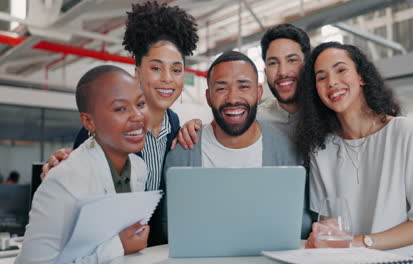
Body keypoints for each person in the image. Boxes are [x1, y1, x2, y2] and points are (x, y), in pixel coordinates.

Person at [39, 0, 198, 246]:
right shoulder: (105, 126)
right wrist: (60, 167)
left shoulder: (175, 127)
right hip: (103, 248)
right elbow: (77, 189)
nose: (167, 79)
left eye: (176, 71)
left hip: (151, 251)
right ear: (137, 72)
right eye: (156, 68)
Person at [297, 42, 413, 256]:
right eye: (321, 77)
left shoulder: (404, 133)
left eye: (341, 70)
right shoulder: (321, 149)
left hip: (404, 259)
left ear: (361, 77)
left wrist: (360, 242)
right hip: (349, 259)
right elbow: (330, 220)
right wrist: (326, 232)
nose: (332, 82)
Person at [163, 50, 312, 239]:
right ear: (208, 97)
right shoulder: (184, 151)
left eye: (243, 87)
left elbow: (301, 224)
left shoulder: (287, 150)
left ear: (258, 93)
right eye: (221, 88)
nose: (232, 99)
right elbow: (171, 228)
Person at [17, 65, 150, 263]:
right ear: (89, 121)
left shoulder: (139, 168)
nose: (138, 116)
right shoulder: (63, 180)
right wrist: (118, 246)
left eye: (140, 104)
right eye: (121, 108)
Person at [174, 23, 310, 148]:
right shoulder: (255, 118)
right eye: (273, 63)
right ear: (265, 71)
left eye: (292, 60)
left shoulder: (327, 113)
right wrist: (192, 128)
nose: (283, 72)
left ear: (308, 64)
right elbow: (218, 131)